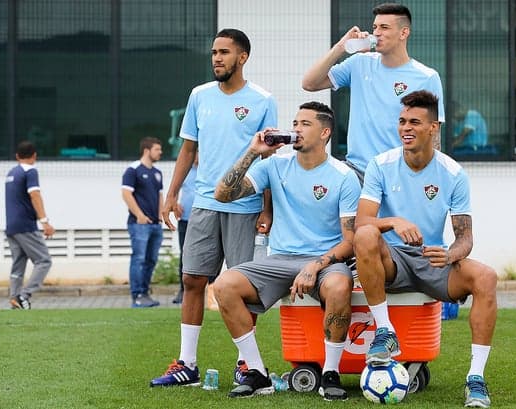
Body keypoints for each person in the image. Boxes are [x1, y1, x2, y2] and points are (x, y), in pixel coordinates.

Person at [352, 90, 497, 408]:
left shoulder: (453, 173)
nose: (406, 127)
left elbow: (465, 238)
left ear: (434, 127)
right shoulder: (381, 165)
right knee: (364, 236)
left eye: (415, 122)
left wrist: (450, 255)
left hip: (434, 259)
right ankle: (385, 332)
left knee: (486, 277)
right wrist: (393, 222)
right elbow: (362, 222)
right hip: (391, 259)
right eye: (402, 121)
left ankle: (475, 379)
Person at [150, 28, 278, 388]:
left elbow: (268, 160)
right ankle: (187, 365)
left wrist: (267, 210)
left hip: (246, 206)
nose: (216, 58)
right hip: (203, 204)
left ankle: (246, 365)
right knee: (192, 279)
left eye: (224, 52)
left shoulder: (263, 99)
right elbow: (188, 150)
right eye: (213, 52)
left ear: (243, 57)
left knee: (241, 287)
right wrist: (172, 193)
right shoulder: (199, 96)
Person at [213, 101, 361, 400]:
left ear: (325, 133)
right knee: (224, 285)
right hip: (280, 259)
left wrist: (315, 266)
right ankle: (257, 373)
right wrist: (253, 151)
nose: (295, 129)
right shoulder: (273, 165)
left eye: (305, 124)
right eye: (295, 123)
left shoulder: (343, 176)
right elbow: (223, 194)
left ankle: (330, 373)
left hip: (325, 262)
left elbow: (350, 241)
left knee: (339, 285)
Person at [302, 2, 445, 179]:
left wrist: (428, 176)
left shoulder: (427, 77)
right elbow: (309, 83)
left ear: (404, 32)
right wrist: (341, 46)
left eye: (384, 27)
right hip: (358, 171)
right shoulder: (359, 63)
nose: (377, 32)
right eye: (375, 27)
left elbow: (434, 135)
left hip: (400, 173)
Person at [5, 140, 55, 310]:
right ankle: (23, 295)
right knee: (44, 261)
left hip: (11, 225)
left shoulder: (11, 173)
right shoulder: (31, 171)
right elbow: (35, 195)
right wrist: (45, 221)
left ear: (17, 156)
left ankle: (14, 298)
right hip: (25, 225)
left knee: (18, 264)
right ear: (35, 155)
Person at [121, 137, 165, 308]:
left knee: (151, 260)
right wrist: (139, 215)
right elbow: (126, 194)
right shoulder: (133, 170)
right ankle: (137, 295)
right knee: (138, 258)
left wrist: (161, 215)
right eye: (157, 149)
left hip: (155, 224)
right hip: (139, 225)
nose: (160, 152)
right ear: (147, 150)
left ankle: (145, 293)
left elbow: (160, 195)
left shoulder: (157, 173)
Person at [172, 152, 198, 305]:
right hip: (185, 220)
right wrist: (175, 203)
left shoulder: (207, 170)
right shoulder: (186, 171)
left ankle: (210, 289)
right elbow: (174, 190)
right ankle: (182, 289)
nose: (196, 156)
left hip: (203, 220)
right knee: (185, 254)